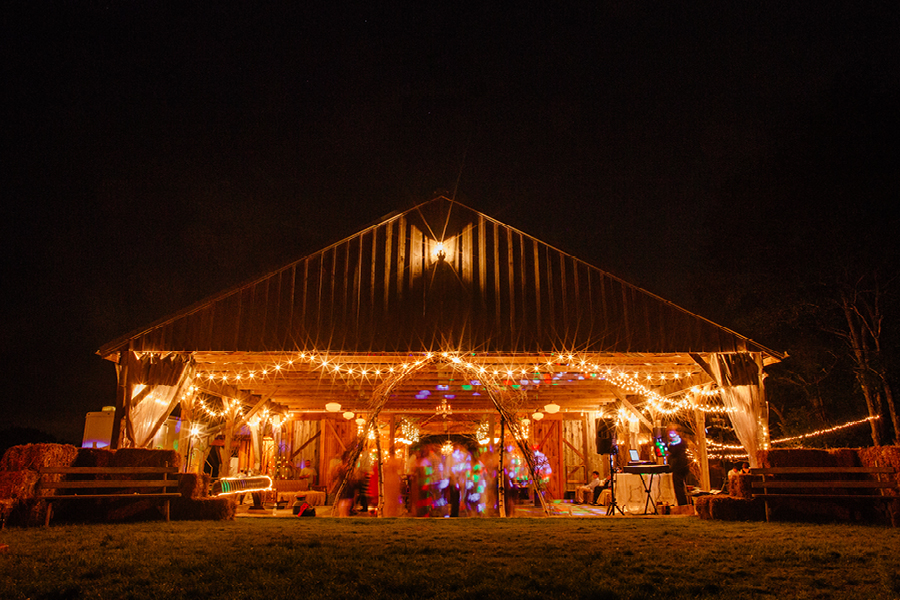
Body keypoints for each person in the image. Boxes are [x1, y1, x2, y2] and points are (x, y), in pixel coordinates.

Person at [667, 429, 690, 506]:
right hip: (683, 465)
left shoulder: (677, 441)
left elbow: (673, 451)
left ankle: (682, 504)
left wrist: (669, 445)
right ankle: (684, 503)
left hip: (678, 466)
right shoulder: (682, 441)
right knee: (681, 485)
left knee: (678, 486)